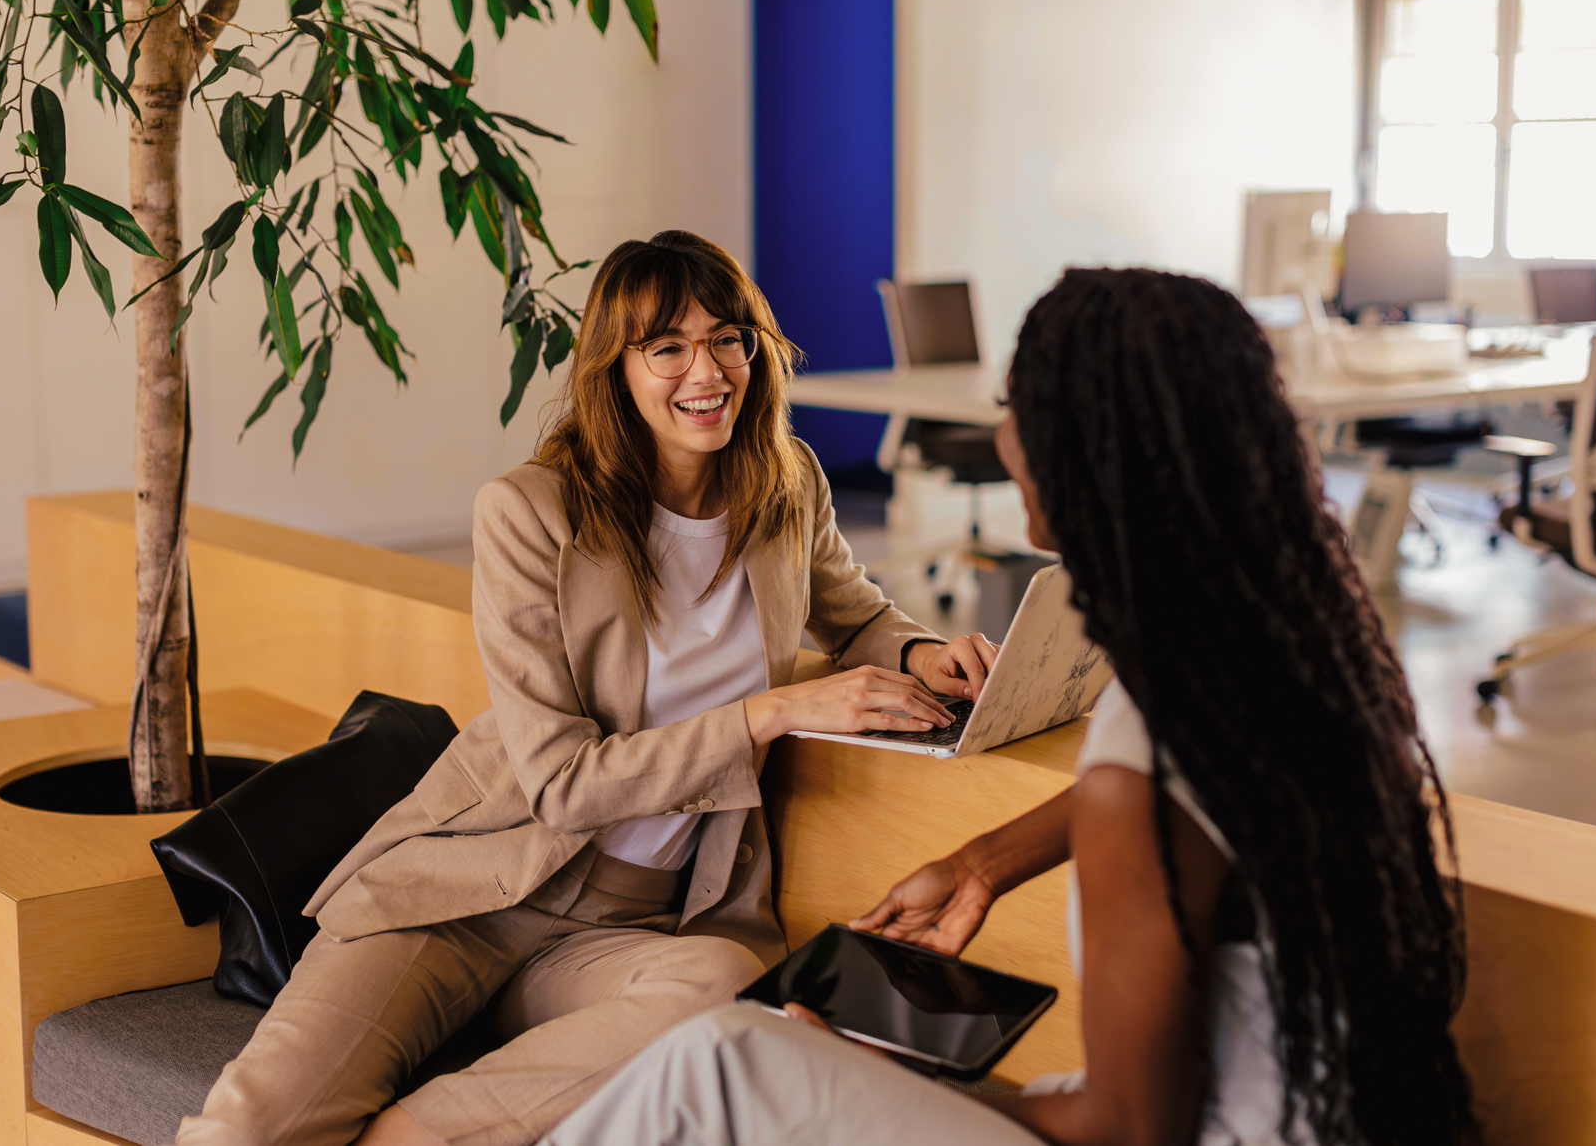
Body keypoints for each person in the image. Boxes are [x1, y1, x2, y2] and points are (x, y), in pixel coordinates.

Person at [534, 268, 1479, 1146]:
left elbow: (1128, 1128)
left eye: (1009, 406)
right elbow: (1188, 796)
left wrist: (899, 1078)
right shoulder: (1278, 658)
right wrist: (984, 862)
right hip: (1292, 1115)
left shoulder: (1139, 783)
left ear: (1076, 448)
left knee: (723, 1059)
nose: (1000, 434)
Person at [173, 231, 999, 1146]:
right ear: (618, 367)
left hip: (633, 925)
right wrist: (770, 712)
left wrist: (923, 654)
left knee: (720, 991)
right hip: (466, 893)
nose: (708, 370)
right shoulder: (531, 512)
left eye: (729, 338)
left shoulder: (785, 482)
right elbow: (561, 783)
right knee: (248, 1128)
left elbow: (853, 614)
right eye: (668, 347)